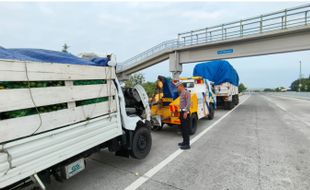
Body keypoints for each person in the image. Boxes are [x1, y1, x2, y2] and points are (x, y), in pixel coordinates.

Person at [175, 82, 191, 150]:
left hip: (185, 112)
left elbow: (188, 103)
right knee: (182, 128)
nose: (177, 88)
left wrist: (186, 112)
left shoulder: (186, 92)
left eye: (177, 87)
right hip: (181, 112)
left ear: (181, 86)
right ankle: (184, 142)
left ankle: (187, 144)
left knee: (185, 129)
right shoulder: (181, 93)